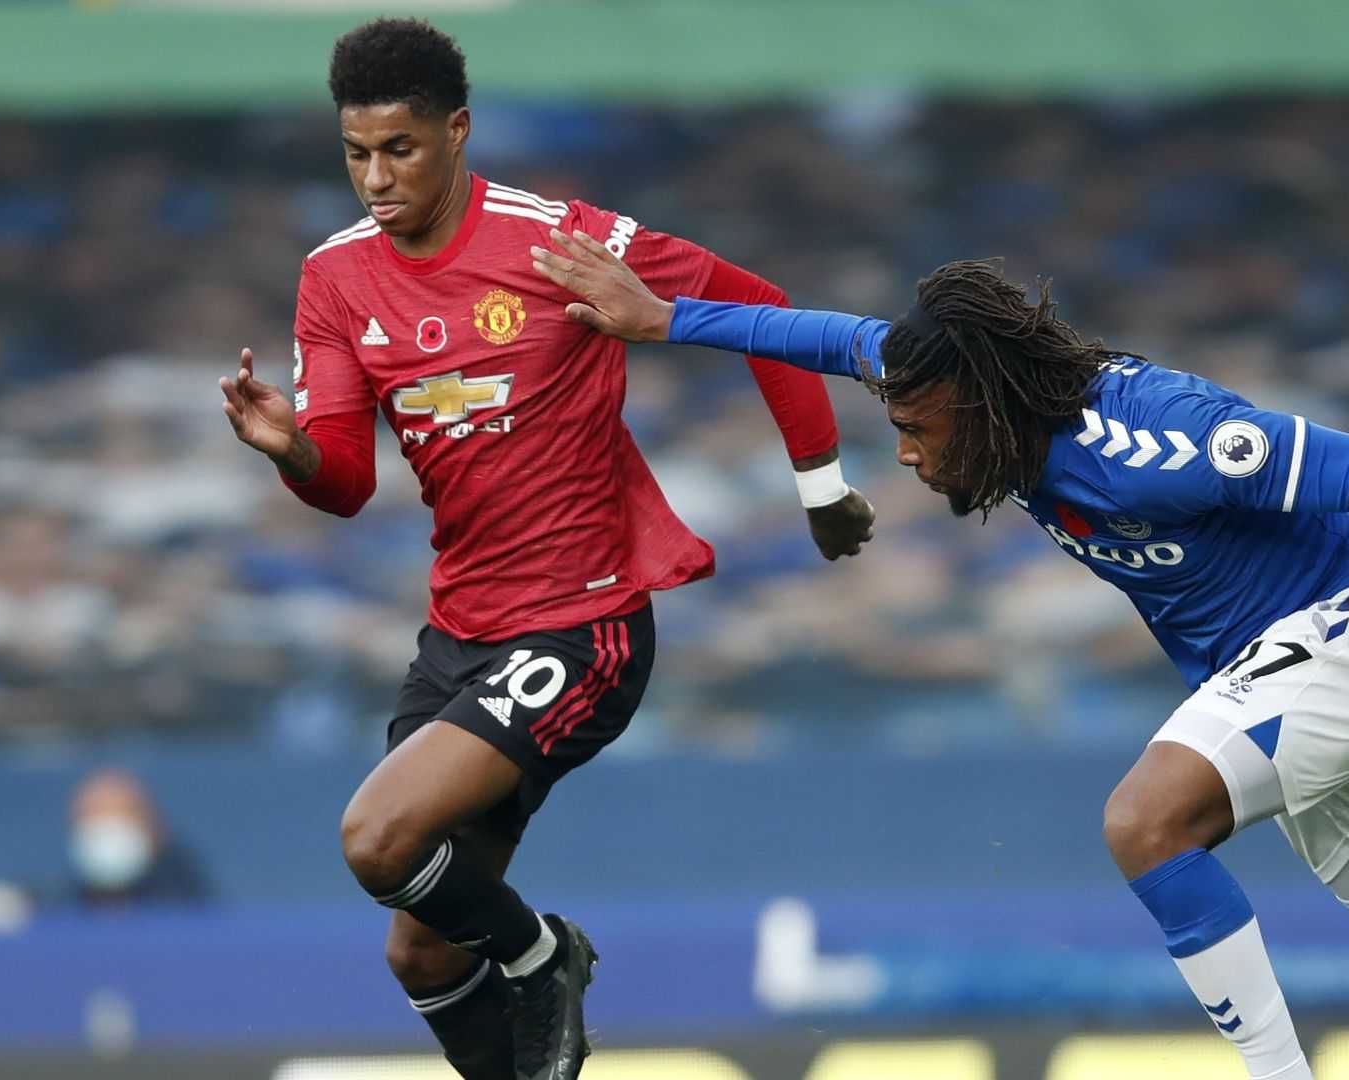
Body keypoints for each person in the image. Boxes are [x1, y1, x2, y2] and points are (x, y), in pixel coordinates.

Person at [529, 233, 1349, 1080]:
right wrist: (667, 318)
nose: (910, 456)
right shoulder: (962, 381)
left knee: (1144, 822)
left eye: (917, 432)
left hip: (1348, 633)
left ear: (977, 405)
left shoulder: (1155, 440)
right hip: (1275, 671)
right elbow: (829, 337)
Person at [217, 19, 876, 1080]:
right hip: (459, 635)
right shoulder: (335, 277)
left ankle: (543, 957)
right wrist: (291, 450)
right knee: (422, 950)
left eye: (400, 149)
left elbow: (756, 305)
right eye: (356, 153)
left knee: (376, 838)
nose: (376, 179)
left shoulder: (559, 241)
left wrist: (822, 486)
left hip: (583, 625)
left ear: (457, 131)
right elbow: (344, 484)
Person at [66, 769, 213, 909]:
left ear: (155, 826)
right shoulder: (62, 911)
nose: (108, 833)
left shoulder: (188, 906)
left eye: (121, 818)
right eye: (95, 821)